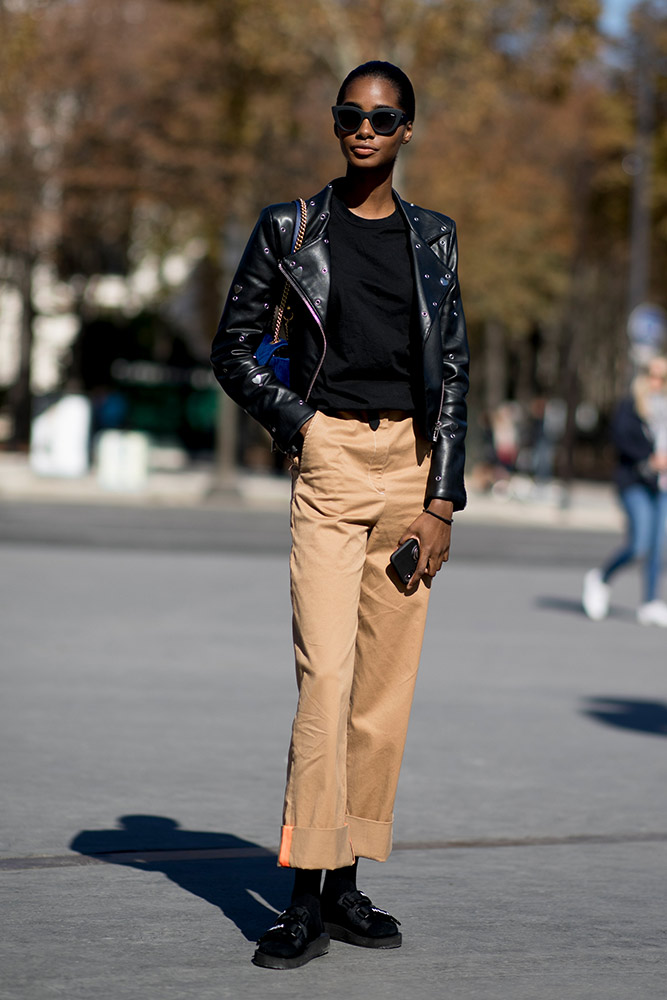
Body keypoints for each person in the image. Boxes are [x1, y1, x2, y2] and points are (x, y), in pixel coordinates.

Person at [211, 61, 469, 969]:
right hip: (329, 465)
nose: (364, 129)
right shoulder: (289, 229)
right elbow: (233, 349)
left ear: (407, 131)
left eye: (384, 116)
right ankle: (300, 898)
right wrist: (301, 425)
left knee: (380, 699)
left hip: (410, 474)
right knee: (325, 684)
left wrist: (442, 499)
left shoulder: (433, 240)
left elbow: (453, 376)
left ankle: (348, 883)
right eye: (350, 115)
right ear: (336, 125)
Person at [583, 355, 667, 626]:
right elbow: (620, 438)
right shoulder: (632, 406)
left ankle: (650, 602)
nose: (658, 382)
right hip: (634, 481)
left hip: (662, 484)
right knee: (640, 543)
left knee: (658, 546)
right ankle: (601, 578)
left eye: (664, 378)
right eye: (654, 375)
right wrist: (649, 458)